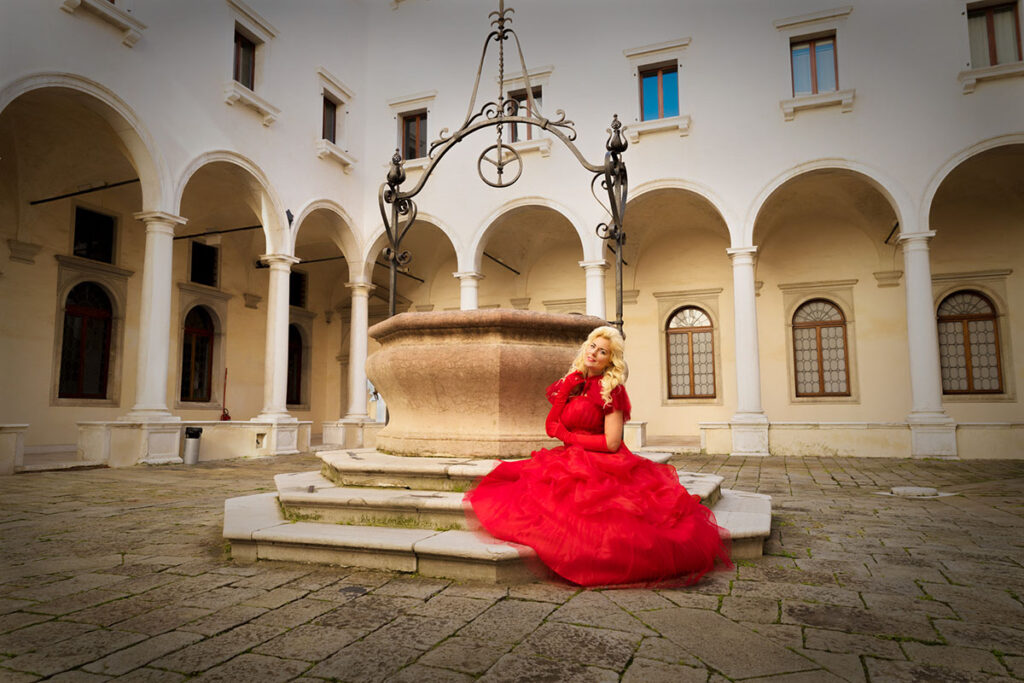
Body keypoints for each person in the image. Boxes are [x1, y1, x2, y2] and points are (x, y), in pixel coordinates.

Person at [464, 325, 732, 587]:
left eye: (603, 351)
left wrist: (569, 438)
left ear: (610, 360)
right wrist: (566, 389)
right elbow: (551, 427)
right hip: (569, 455)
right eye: (592, 346)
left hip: (601, 458)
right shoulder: (574, 383)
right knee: (520, 488)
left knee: (596, 517)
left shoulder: (611, 389)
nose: (594, 353)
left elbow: (612, 443)